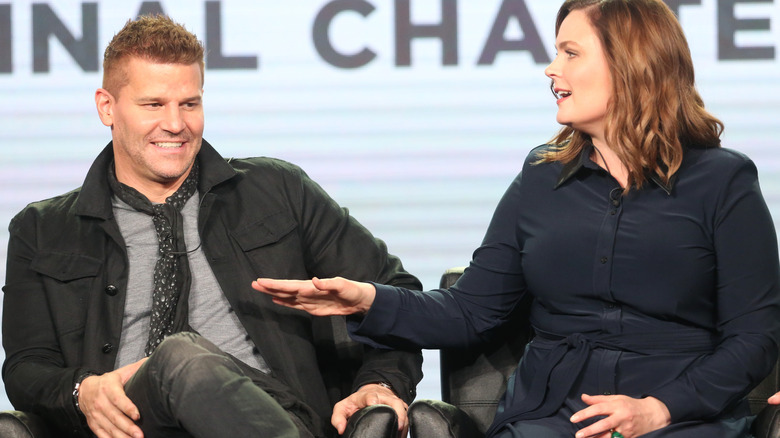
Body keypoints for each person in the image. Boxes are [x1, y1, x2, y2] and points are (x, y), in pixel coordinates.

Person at [253, 0, 780, 437]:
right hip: (553, 415)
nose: (552, 70)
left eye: (571, 53)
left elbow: (755, 336)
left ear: (631, 65)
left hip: (680, 415)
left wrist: (659, 408)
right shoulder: (541, 178)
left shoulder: (722, 181)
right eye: (556, 53)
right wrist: (368, 299)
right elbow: (470, 312)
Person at [2, 14, 423, 438]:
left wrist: (381, 383)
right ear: (107, 107)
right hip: (131, 424)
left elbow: (395, 291)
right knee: (176, 357)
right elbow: (25, 368)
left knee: (182, 354)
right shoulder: (41, 230)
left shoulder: (278, 191)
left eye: (190, 103)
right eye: (153, 105)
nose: (175, 124)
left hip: (278, 413)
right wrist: (82, 392)